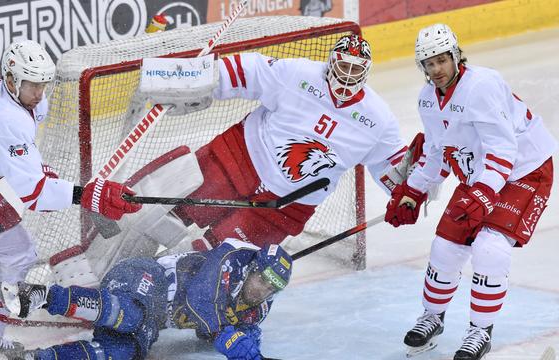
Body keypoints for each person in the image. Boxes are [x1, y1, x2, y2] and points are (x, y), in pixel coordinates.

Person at [0, 40, 141, 355]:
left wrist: (78, 191)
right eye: (33, 85)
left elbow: (31, 169)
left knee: (19, 251)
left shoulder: (26, 103)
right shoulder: (4, 118)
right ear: (11, 79)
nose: (40, 93)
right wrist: (88, 196)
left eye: (43, 85)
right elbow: (34, 194)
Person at [384, 23, 556, 360]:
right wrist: (412, 192)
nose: (437, 69)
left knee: (490, 248)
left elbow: (503, 150)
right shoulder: (427, 100)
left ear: (456, 56)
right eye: (429, 63)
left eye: (442, 60)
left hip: (525, 171)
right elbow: (437, 152)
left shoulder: (482, 86)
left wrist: (482, 194)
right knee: (445, 246)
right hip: (482, 176)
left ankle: (480, 332)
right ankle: (432, 317)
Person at [166, 33, 408, 252]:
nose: (347, 75)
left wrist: (414, 189)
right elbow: (250, 71)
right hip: (237, 162)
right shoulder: (299, 74)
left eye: (355, 70)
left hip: (288, 206)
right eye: (344, 65)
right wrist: (186, 78)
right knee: (166, 220)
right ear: (332, 61)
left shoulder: (378, 119)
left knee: (212, 258)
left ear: (366, 72)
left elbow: (394, 167)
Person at [3, 239, 293, 360]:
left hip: (156, 317)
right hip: (145, 276)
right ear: (253, 268)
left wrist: (249, 351)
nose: (262, 290)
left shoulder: (257, 309)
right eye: (262, 279)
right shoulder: (234, 258)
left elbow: (218, 333)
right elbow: (200, 298)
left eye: (272, 288)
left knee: (123, 351)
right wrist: (227, 335)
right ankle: (39, 295)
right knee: (131, 315)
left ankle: (36, 357)